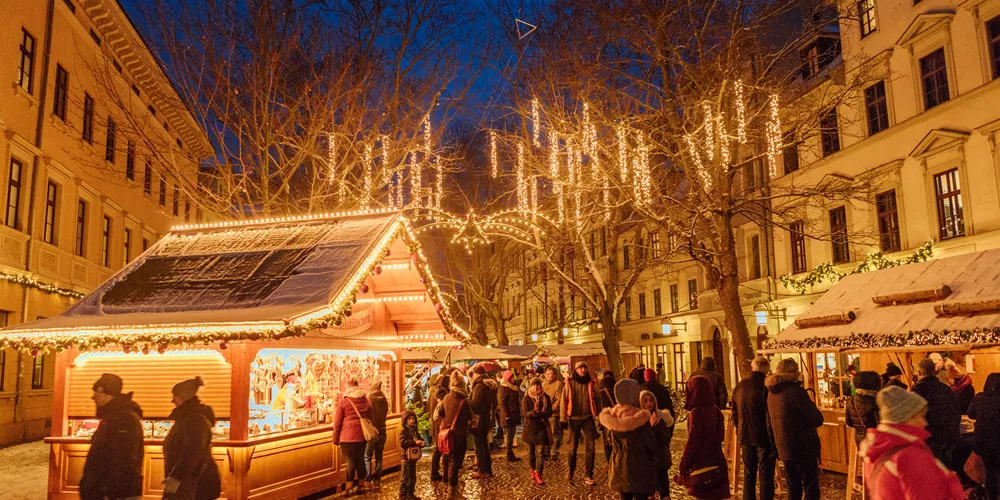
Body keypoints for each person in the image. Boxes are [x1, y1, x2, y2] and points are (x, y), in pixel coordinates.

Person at [860, 386, 964, 500]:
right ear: (906, 418)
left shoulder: (875, 447)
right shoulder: (909, 456)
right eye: (921, 416)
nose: (925, 422)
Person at [79, 373, 144, 500]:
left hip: (114, 493)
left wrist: (107, 491)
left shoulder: (123, 419)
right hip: (108, 491)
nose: (93, 397)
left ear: (106, 393)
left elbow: (123, 459)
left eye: (96, 392)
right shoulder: (113, 417)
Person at [766, 358, 823, 500]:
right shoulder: (796, 392)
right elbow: (816, 418)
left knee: (793, 486)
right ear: (792, 373)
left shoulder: (772, 393)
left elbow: (769, 421)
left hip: (784, 447)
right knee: (810, 486)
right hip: (803, 446)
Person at [162, 377, 222, 500]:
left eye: (175, 396)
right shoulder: (190, 418)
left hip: (193, 485)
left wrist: (175, 478)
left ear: (184, 397)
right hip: (189, 483)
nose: (172, 401)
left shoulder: (195, 419)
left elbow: (192, 453)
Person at [600, 378, 659, 500]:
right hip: (639, 466)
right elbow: (651, 446)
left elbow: (608, 445)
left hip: (619, 466)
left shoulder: (611, 418)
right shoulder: (640, 418)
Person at [678, 376, 731, 499]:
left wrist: (684, 463)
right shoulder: (716, 411)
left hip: (702, 465)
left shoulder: (696, 413)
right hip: (717, 462)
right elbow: (720, 437)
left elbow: (693, 442)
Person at [731, 357, 775, 500]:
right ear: (766, 369)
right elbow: (769, 414)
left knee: (749, 474)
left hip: (745, 435)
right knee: (765, 474)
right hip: (763, 436)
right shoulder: (766, 386)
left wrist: (740, 429)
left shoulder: (741, 385)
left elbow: (735, 412)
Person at [911, 358, 962, 465]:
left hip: (929, 439)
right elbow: (957, 411)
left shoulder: (917, 391)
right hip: (949, 436)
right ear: (934, 371)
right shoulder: (946, 389)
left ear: (919, 372)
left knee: (930, 470)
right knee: (945, 467)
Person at [561, 360, 601, 486]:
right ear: (576, 370)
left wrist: (601, 417)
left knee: (591, 447)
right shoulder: (570, 383)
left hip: (588, 418)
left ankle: (589, 474)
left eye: (584, 368)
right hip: (574, 418)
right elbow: (564, 401)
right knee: (572, 448)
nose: (582, 370)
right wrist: (563, 419)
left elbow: (598, 400)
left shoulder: (592, 382)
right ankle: (571, 471)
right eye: (580, 368)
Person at [333, 377, 373, 494]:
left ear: (348, 387)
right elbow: (371, 416)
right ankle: (361, 485)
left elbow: (337, 422)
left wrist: (335, 438)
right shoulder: (366, 400)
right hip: (362, 435)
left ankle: (349, 487)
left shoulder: (344, 402)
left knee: (350, 461)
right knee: (360, 460)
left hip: (347, 436)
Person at [438, 374, 473, 499]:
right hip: (459, 435)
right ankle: (452, 491)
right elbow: (470, 416)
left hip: (447, 433)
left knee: (447, 457)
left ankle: (447, 483)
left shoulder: (446, 397)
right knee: (456, 462)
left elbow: (440, 412)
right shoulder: (464, 401)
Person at [640, 389, 676, 500]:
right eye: (645, 401)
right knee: (649, 493)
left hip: (660, 460)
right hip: (646, 463)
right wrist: (649, 428)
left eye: (651, 400)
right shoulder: (639, 419)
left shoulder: (661, 417)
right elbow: (641, 443)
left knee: (665, 492)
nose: (649, 403)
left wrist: (656, 428)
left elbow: (666, 439)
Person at [970, 373, 1000, 499]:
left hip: (984, 443)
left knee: (991, 472)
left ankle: (991, 496)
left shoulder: (979, 398)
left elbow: (970, 414)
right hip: (997, 442)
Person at [522, 377, 554, 486]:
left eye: (538, 384)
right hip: (529, 429)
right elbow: (525, 414)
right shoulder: (526, 398)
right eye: (533, 385)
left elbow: (549, 412)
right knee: (531, 454)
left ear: (540, 385)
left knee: (540, 453)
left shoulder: (546, 398)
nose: (536, 387)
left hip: (541, 428)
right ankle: (533, 469)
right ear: (530, 386)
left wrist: (540, 413)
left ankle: (538, 473)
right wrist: (533, 413)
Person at [468, 365, 495, 478]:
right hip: (484, 419)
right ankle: (486, 469)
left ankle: (483, 470)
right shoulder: (485, 385)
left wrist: (468, 401)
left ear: (476, 374)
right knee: (483, 445)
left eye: (473, 374)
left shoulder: (479, 386)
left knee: (480, 446)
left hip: (479, 421)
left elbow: (476, 405)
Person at [845, 371, 881, 446]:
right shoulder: (876, 401)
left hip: (860, 438)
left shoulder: (851, 400)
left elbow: (849, 422)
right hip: (876, 439)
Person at [366, 380, 390, 485]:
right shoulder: (384, 399)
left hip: (372, 430)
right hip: (382, 429)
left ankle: (367, 479)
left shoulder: (370, 399)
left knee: (367, 456)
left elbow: (367, 414)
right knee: (379, 455)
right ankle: (377, 479)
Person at [429, 373, 451, 483]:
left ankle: (435, 473)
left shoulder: (435, 393)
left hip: (435, 426)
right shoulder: (444, 395)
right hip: (441, 428)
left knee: (437, 451)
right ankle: (445, 475)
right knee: (444, 450)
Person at [399, 410, 425, 500]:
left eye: (413, 418)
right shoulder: (403, 432)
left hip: (414, 457)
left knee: (412, 477)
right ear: (405, 420)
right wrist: (414, 442)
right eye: (409, 419)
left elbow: (419, 439)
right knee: (405, 476)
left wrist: (422, 443)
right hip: (406, 457)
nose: (412, 420)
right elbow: (403, 443)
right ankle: (402, 495)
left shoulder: (415, 431)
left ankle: (410, 494)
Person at [497, 370, 522, 462]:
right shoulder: (504, 388)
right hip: (508, 416)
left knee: (511, 435)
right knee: (509, 435)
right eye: (512, 377)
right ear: (508, 378)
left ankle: (511, 454)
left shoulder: (512, 387)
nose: (513, 379)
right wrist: (506, 416)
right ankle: (509, 454)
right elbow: (502, 403)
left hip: (513, 414)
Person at [541, 365, 565, 460]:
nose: (549, 376)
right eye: (548, 374)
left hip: (554, 413)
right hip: (544, 413)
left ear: (555, 375)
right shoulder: (544, 384)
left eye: (551, 374)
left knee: (555, 433)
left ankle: (554, 451)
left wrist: (552, 408)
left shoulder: (558, 384)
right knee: (546, 433)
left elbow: (559, 399)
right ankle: (546, 451)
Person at [598, 370, 618, 461]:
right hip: (616, 419)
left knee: (607, 442)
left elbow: (598, 406)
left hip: (605, 420)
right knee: (617, 441)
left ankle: (609, 462)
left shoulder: (600, 390)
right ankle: (616, 461)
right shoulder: (617, 388)